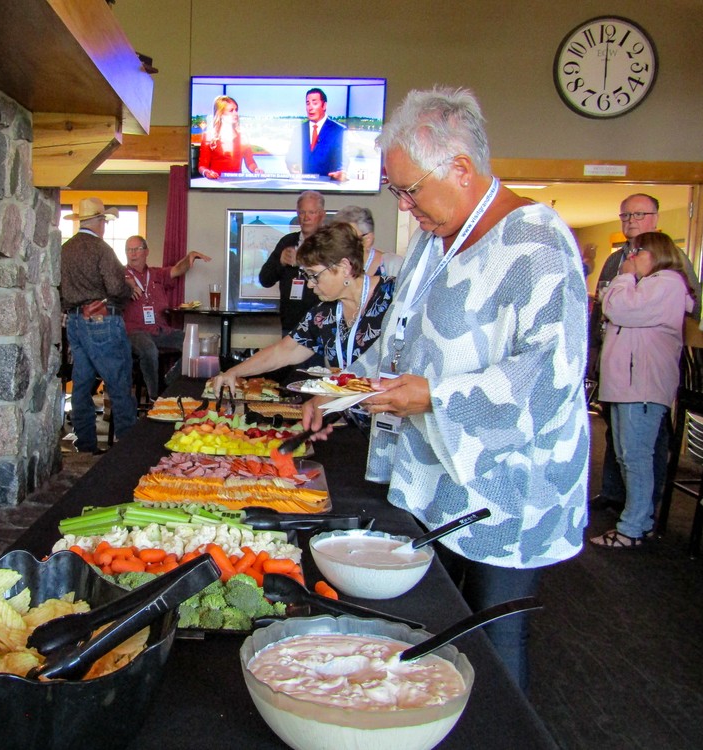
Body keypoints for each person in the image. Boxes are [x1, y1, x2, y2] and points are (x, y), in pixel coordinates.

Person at [303, 86, 589, 690]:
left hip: (506, 486)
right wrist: (344, 390)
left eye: (409, 190)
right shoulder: (438, 239)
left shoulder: (536, 242)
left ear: (460, 168)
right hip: (443, 477)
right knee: (446, 625)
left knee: (493, 635)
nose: (405, 206)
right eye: (397, 193)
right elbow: (404, 342)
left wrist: (434, 397)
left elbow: (550, 377)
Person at [589, 193, 701, 516]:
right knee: (616, 435)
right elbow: (602, 307)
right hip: (616, 360)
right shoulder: (616, 259)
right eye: (625, 215)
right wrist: (595, 349)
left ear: (655, 217)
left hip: (645, 369)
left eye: (639, 214)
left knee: (644, 444)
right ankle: (614, 494)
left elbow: (688, 307)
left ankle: (643, 510)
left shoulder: (671, 261)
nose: (631, 221)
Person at [212, 222, 395, 397]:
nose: (310, 284)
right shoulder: (324, 313)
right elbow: (284, 351)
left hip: (389, 415)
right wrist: (234, 372)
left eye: (314, 275)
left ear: (344, 268)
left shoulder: (395, 296)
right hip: (347, 414)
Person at [59, 197, 138, 455]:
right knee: (119, 384)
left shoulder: (64, 249)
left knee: (81, 385)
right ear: (100, 221)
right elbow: (115, 287)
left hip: (75, 321)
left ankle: (86, 447)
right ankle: (127, 451)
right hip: (102, 321)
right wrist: (128, 287)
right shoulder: (101, 249)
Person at [122, 236, 212, 400]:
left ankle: (168, 383)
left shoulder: (156, 273)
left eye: (136, 249)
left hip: (160, 329)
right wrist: (126, 284)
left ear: (146, 251)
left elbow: (178, 269)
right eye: (129, 249)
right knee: (149, 350)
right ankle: (155, 396)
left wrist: (190, 256)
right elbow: (108, 282)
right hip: (135, 331)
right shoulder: (121, 275)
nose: (132, 253)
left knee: (193, 343)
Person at [259, 191, 324, 335]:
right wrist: (280, 262)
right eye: (302, 212)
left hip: (321, 324)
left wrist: (302, 261)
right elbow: (264, 279)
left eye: (311, 212)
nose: (306, 217)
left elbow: (333, 278)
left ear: (321, 215)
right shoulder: (287, 241)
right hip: (290, 324)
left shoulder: (329, 243)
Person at [286, 88, 347, 181]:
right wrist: (292, 165)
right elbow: (290, 157)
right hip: (302, 186)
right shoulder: (299, 130)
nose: (310, 108)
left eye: (314, 103)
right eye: (308, 103)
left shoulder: (338, 130)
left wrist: (341, 172)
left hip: (328, 186)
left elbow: (342, 160)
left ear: (324, 105)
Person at [197, 95, 264, 180]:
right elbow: (202, 166)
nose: (236, 114)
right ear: (221, 114)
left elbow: (250, 162)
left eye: (236, 110)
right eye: (231, 111)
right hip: (216, 182)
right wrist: (206, 173)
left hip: (236, 183)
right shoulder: (209, 136)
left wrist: (256, 169)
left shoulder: (243, 136)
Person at [328, 205, 404, 278]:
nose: (339, 242)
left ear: (368, 240)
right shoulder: (329, 265)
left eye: (348, 237)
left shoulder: (393, 265)